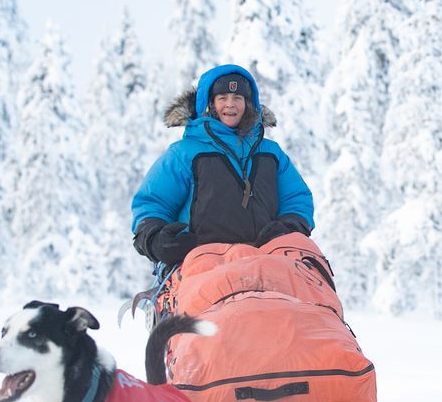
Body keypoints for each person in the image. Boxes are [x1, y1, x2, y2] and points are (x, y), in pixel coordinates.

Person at [131, 63, 314, 267]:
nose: (230, 104)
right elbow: (154, 202)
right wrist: (155, 238)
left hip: (267, 260)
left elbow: (296, 198)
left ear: (248, 103)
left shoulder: (271, 153)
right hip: (200, 263)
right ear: (210, 103)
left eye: (237, 98)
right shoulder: (184, 153)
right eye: (222, 98)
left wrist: (289, 227)